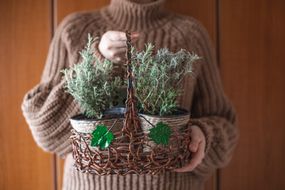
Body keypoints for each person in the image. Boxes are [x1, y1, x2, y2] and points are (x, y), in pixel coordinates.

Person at [21, 0, 239, 189]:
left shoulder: (191, 34)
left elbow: (225, 126)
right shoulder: (75, 29)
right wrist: (98, 62)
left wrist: (203, 134)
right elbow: (45, 129)